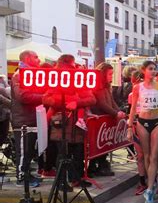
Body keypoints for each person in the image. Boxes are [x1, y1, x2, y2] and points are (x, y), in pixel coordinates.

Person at [43, 54, 96, 188]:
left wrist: (76, 102)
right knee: (62, 153)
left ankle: (75, 178)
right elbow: (46, 98)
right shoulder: (55, 79)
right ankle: (62, 181)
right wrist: (64, 101)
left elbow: (92, 99)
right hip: (61, 122)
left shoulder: (79, 79)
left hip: (76, 122)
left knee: (77, 152)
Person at [127, 61, 158, 203]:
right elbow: (133, 109)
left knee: (154, 155)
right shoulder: (137, 88)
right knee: (146, 155)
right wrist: (128, 127)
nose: (153, 71)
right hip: (142, 122)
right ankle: (149, 181)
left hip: (157, 122)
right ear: (144, 70)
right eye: (150, 69)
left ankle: (150, 189)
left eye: (155, 69)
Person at [11, 50, 43, 187]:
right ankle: (21, 177)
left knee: (29, 151)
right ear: (27, 58)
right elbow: (22, 96)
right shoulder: (19, 75)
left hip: (31, 118)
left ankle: (26, 174)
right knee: (23, 151)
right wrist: (43, 97)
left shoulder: (30, 75)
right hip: (23, 120)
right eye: (36, 57)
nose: (39, 60)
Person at [89, 63, 127, 176]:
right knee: (97, 147)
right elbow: (102, 104)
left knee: (104, 146)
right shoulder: (98, 87)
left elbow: (111, 101)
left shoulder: (106, 87)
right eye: (110, 74)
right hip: (99, 120)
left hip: (106, 120)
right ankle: (94, 167)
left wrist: (119, 111)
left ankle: (99, 166)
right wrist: (116, 113)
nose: (111, 76)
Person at [128, 70, 147, 195]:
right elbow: (132, 110)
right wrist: (130, 126)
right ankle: (143, 182)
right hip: (137, 125)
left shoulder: (154, 90)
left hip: (150, 124)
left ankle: (152, 179)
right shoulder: (132, 93)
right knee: (140, 156)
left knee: (149, 155)